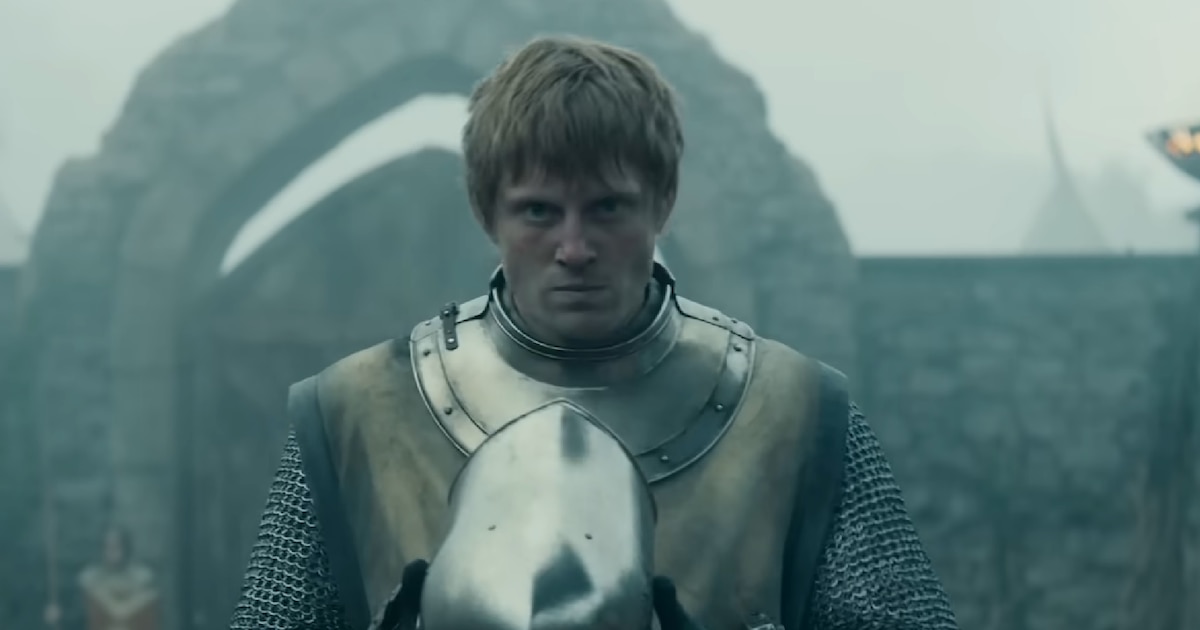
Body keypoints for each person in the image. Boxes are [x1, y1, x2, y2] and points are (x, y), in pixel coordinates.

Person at [230, 35, 958, 630]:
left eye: (607, 208)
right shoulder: (359, 413)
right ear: (488, 213)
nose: (574, 248)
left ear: (662, 203)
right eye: (540, 212)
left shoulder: (793, 414)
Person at [79, 525, 160, 630]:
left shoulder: (143, 577)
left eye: (116, 546)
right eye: (108, 547)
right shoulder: (91, 578)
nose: (112, 551)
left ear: (126, 548)